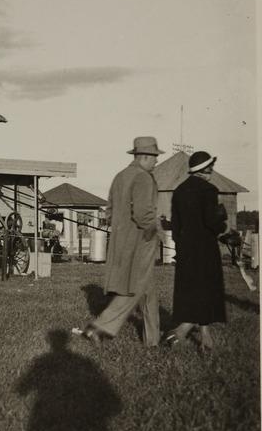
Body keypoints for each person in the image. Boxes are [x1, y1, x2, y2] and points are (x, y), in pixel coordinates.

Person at [77, 136, 164, 347]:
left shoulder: (120, 176)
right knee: (136, 286)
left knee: (148, 290)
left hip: (121, 240)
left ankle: (153, 340)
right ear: (145, 157)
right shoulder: (143, 177)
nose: (156, 162)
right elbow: (143, 213)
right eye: (155, 158)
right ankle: (100, 326)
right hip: (141, 240)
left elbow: (109, 210)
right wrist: (154, 230)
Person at [165, 151, 227, 351]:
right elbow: (212, 222)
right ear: (205, 169)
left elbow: (175, 225)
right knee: (207, 291)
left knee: (192, 292)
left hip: (185, 250)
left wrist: (180, 245)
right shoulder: (209, 190)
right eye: (211, 167)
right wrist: (222, 222)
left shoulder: (179, 191)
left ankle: (205, 337)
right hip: (206, 250)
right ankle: (180, 333)